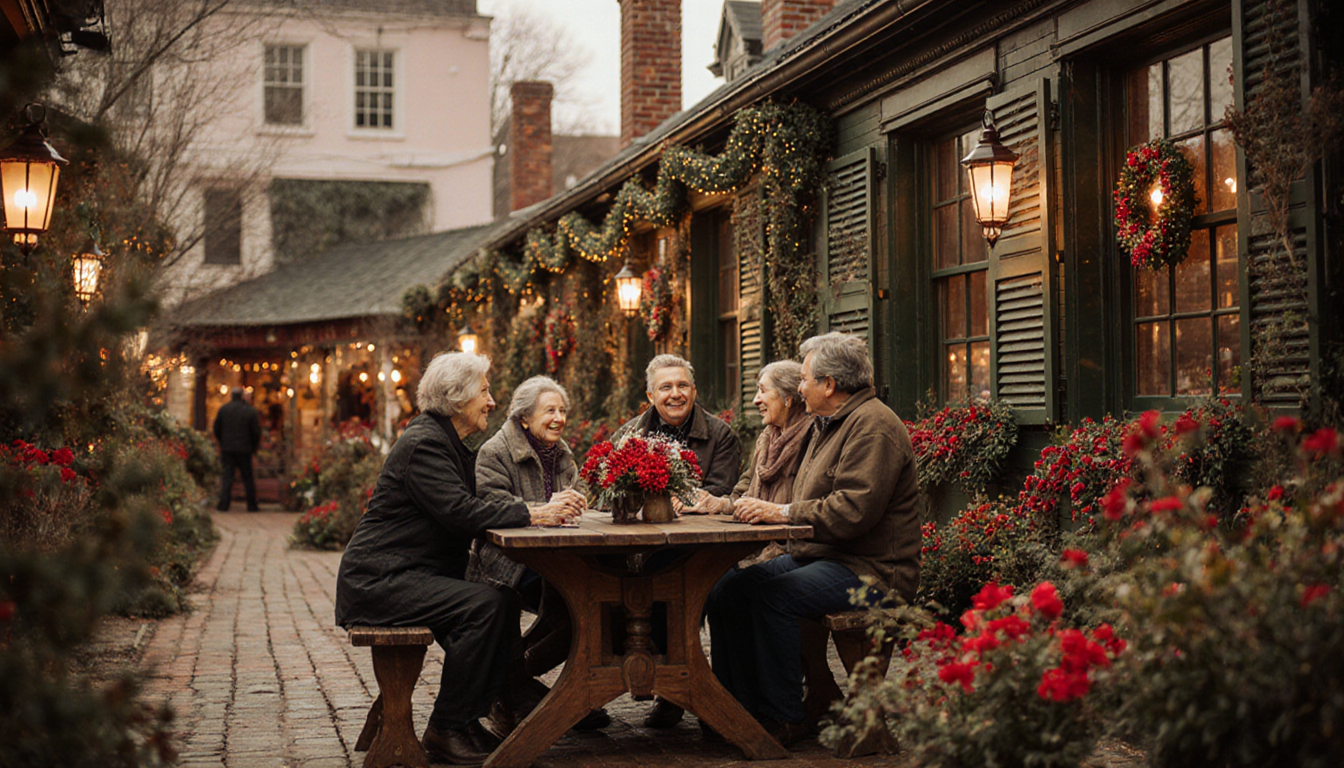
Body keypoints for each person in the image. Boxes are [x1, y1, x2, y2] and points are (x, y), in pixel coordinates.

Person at [335, 353, 583, 765]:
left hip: (407, 575)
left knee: (500, 600)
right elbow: (461, 512)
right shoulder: (426, 443)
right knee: (483, 606)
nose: (490, 401)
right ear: (458, 397)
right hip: (378, 581)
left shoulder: (446, 441)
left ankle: (480, 712)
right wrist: (533, 512)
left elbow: (468, 506)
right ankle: (447, 728)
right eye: (484, 391)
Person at [706, 332, 920, 747]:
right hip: (823, 557)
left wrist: (782, 513)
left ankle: (783, 716)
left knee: (774, 596)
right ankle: (735, 707)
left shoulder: (873, 426)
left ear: (830, 384)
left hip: (872, 571)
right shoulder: (832, 423)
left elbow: (853, 512)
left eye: (804, 379)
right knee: (726, 590)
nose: (799, 388)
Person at [468, 376, 608, 735]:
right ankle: (540, 695)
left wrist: (577, 503)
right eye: (550, 411)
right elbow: (490, 507)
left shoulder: (563, 455)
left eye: (562, 411)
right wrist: (544, 507)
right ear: (524, 418)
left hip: (558, 556)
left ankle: (511, 685)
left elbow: (572, 503)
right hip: (508, 562)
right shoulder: (494, 452)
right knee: (577, 605)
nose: (559, 418)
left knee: (592, 606)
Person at [612, 354, 742, 729]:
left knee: (721, 592)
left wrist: (691, 500)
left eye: (682, 386)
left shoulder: (720, 435)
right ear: (650, 394)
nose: (675, 394)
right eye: (666, 387)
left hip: (707, 551)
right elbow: (611, 496)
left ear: (694, 391)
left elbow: (721, 491)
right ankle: (670, 692)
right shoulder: (628, 435)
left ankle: (717, 698)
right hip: (647, 552)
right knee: (633, 588)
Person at [214, 386, 262, 512]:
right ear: (242, 396)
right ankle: (251, 505)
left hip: (228, 449)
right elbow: (256, 432)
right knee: (248, 478)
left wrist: (222, 442)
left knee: (227, 477)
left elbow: (216, 428)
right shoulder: (250, 411)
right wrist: (254, 447)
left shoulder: (224, 410)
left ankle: (224, 504)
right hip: (245, 449)